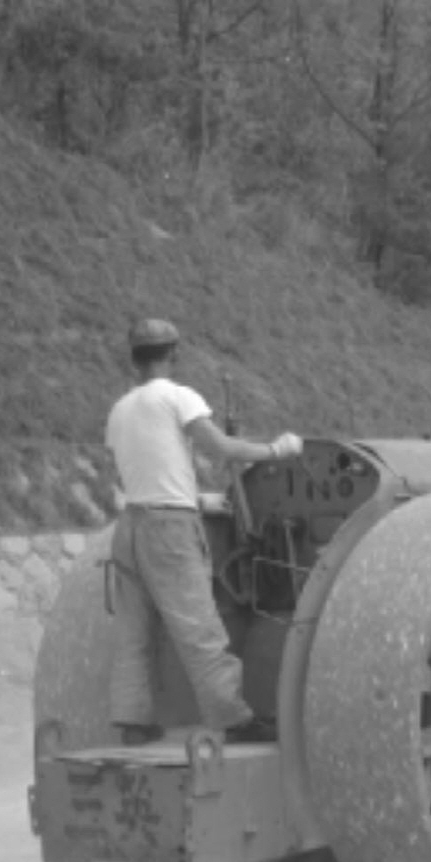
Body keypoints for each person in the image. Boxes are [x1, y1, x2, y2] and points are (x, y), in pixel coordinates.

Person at [105, 318, 304, 746]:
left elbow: (143, 473)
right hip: (170, 532)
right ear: (174, 355)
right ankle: (231, 718)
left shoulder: (120, 409)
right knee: (200, 628)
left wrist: (199, 501)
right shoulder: (179, 398)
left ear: (134, 359)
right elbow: (221, 448)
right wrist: (277, 450)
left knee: (134, 632)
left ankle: (132, 721)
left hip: (130, 528)